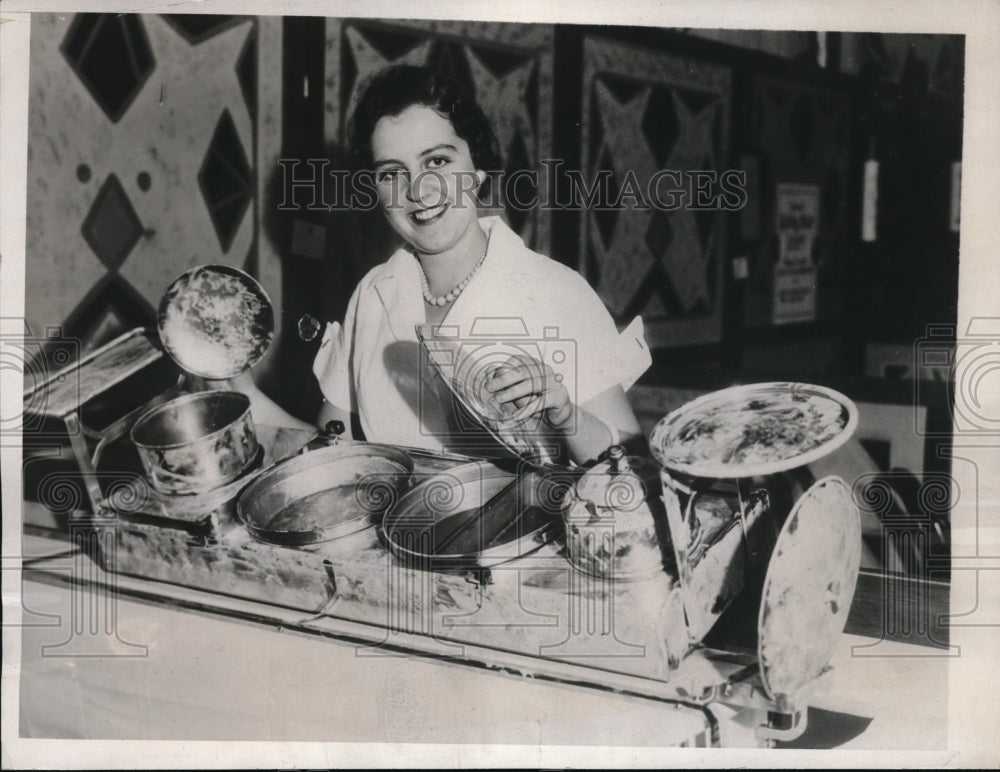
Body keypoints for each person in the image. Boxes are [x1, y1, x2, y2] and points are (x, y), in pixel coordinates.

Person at [311, 65, 651, 465]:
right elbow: (329, 453)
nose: (418, 191)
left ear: (477, 169)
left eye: (436, 162)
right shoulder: (371, 293)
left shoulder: (557, 292)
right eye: (392, 174)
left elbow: (633, 471)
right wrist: (240, 388)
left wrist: (566, 415)